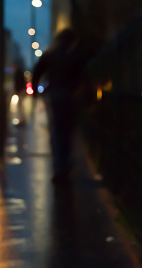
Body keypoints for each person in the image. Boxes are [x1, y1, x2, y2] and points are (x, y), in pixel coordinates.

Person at [32, 29, 86, 183]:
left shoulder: (51, 53)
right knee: (68, 131)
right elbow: (83, 75)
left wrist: (36, 91)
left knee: (57, 132)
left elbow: (38, 70)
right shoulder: (75, 54)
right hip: (71, 96)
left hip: (55, 95)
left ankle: (59, 168)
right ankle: (66, 163)